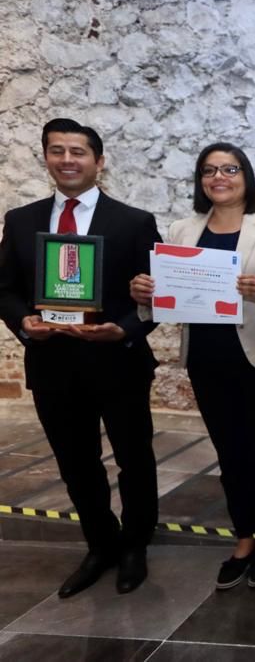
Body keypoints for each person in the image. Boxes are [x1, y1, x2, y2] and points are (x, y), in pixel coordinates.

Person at [130, 143, 255, 589]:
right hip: (207, 358)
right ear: (200, 180)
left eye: (229, 169)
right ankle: (243, 537)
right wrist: (146, 295)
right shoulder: (181, 230)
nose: (219, 177)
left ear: (246, 176)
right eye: (209, 171)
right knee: (229, 452)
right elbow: (166, 299)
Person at [0, 118, 160, 597]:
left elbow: (156, 298)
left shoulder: (134, 222)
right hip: (52, 365)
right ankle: (100, 543)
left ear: (98, 161)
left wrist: (124, 329)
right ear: (46, 157)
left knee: (134, 459)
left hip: (118, 362)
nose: (67, 160)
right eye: (57, 150)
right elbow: (4, 289)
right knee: (76, 463)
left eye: (78, 151)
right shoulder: (21, 221)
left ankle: (135, 546)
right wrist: (23, 322)